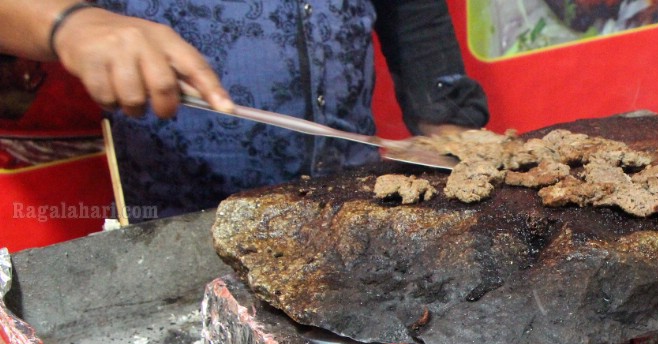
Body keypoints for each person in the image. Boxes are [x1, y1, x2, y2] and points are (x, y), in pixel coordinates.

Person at [0, 0, 488, 216]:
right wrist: (69, 22)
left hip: (349, 204)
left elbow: (412, 10)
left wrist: (448, 130)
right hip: (181, 222)